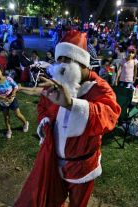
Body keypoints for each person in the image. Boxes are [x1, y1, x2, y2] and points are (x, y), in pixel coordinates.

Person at [15, 30, 121, 206]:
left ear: (83, 63)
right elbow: (43, 106)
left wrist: (72, 104)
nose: (62, 66)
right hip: (54, 160)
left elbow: (109, 117)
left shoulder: (100, 89)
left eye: (68, 60)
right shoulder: (59, 81)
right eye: (60, 60)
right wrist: (45, 121)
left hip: (82, 167)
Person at [0, 64, 29, 139]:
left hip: (12, 99)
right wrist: (2, 97)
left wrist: (14, 93)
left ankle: (25, 123)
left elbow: (16, 86)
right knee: (6, 117)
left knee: (17, 114)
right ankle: (9, 130)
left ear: (1, 71)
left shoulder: (8, 79)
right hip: (3, 102)